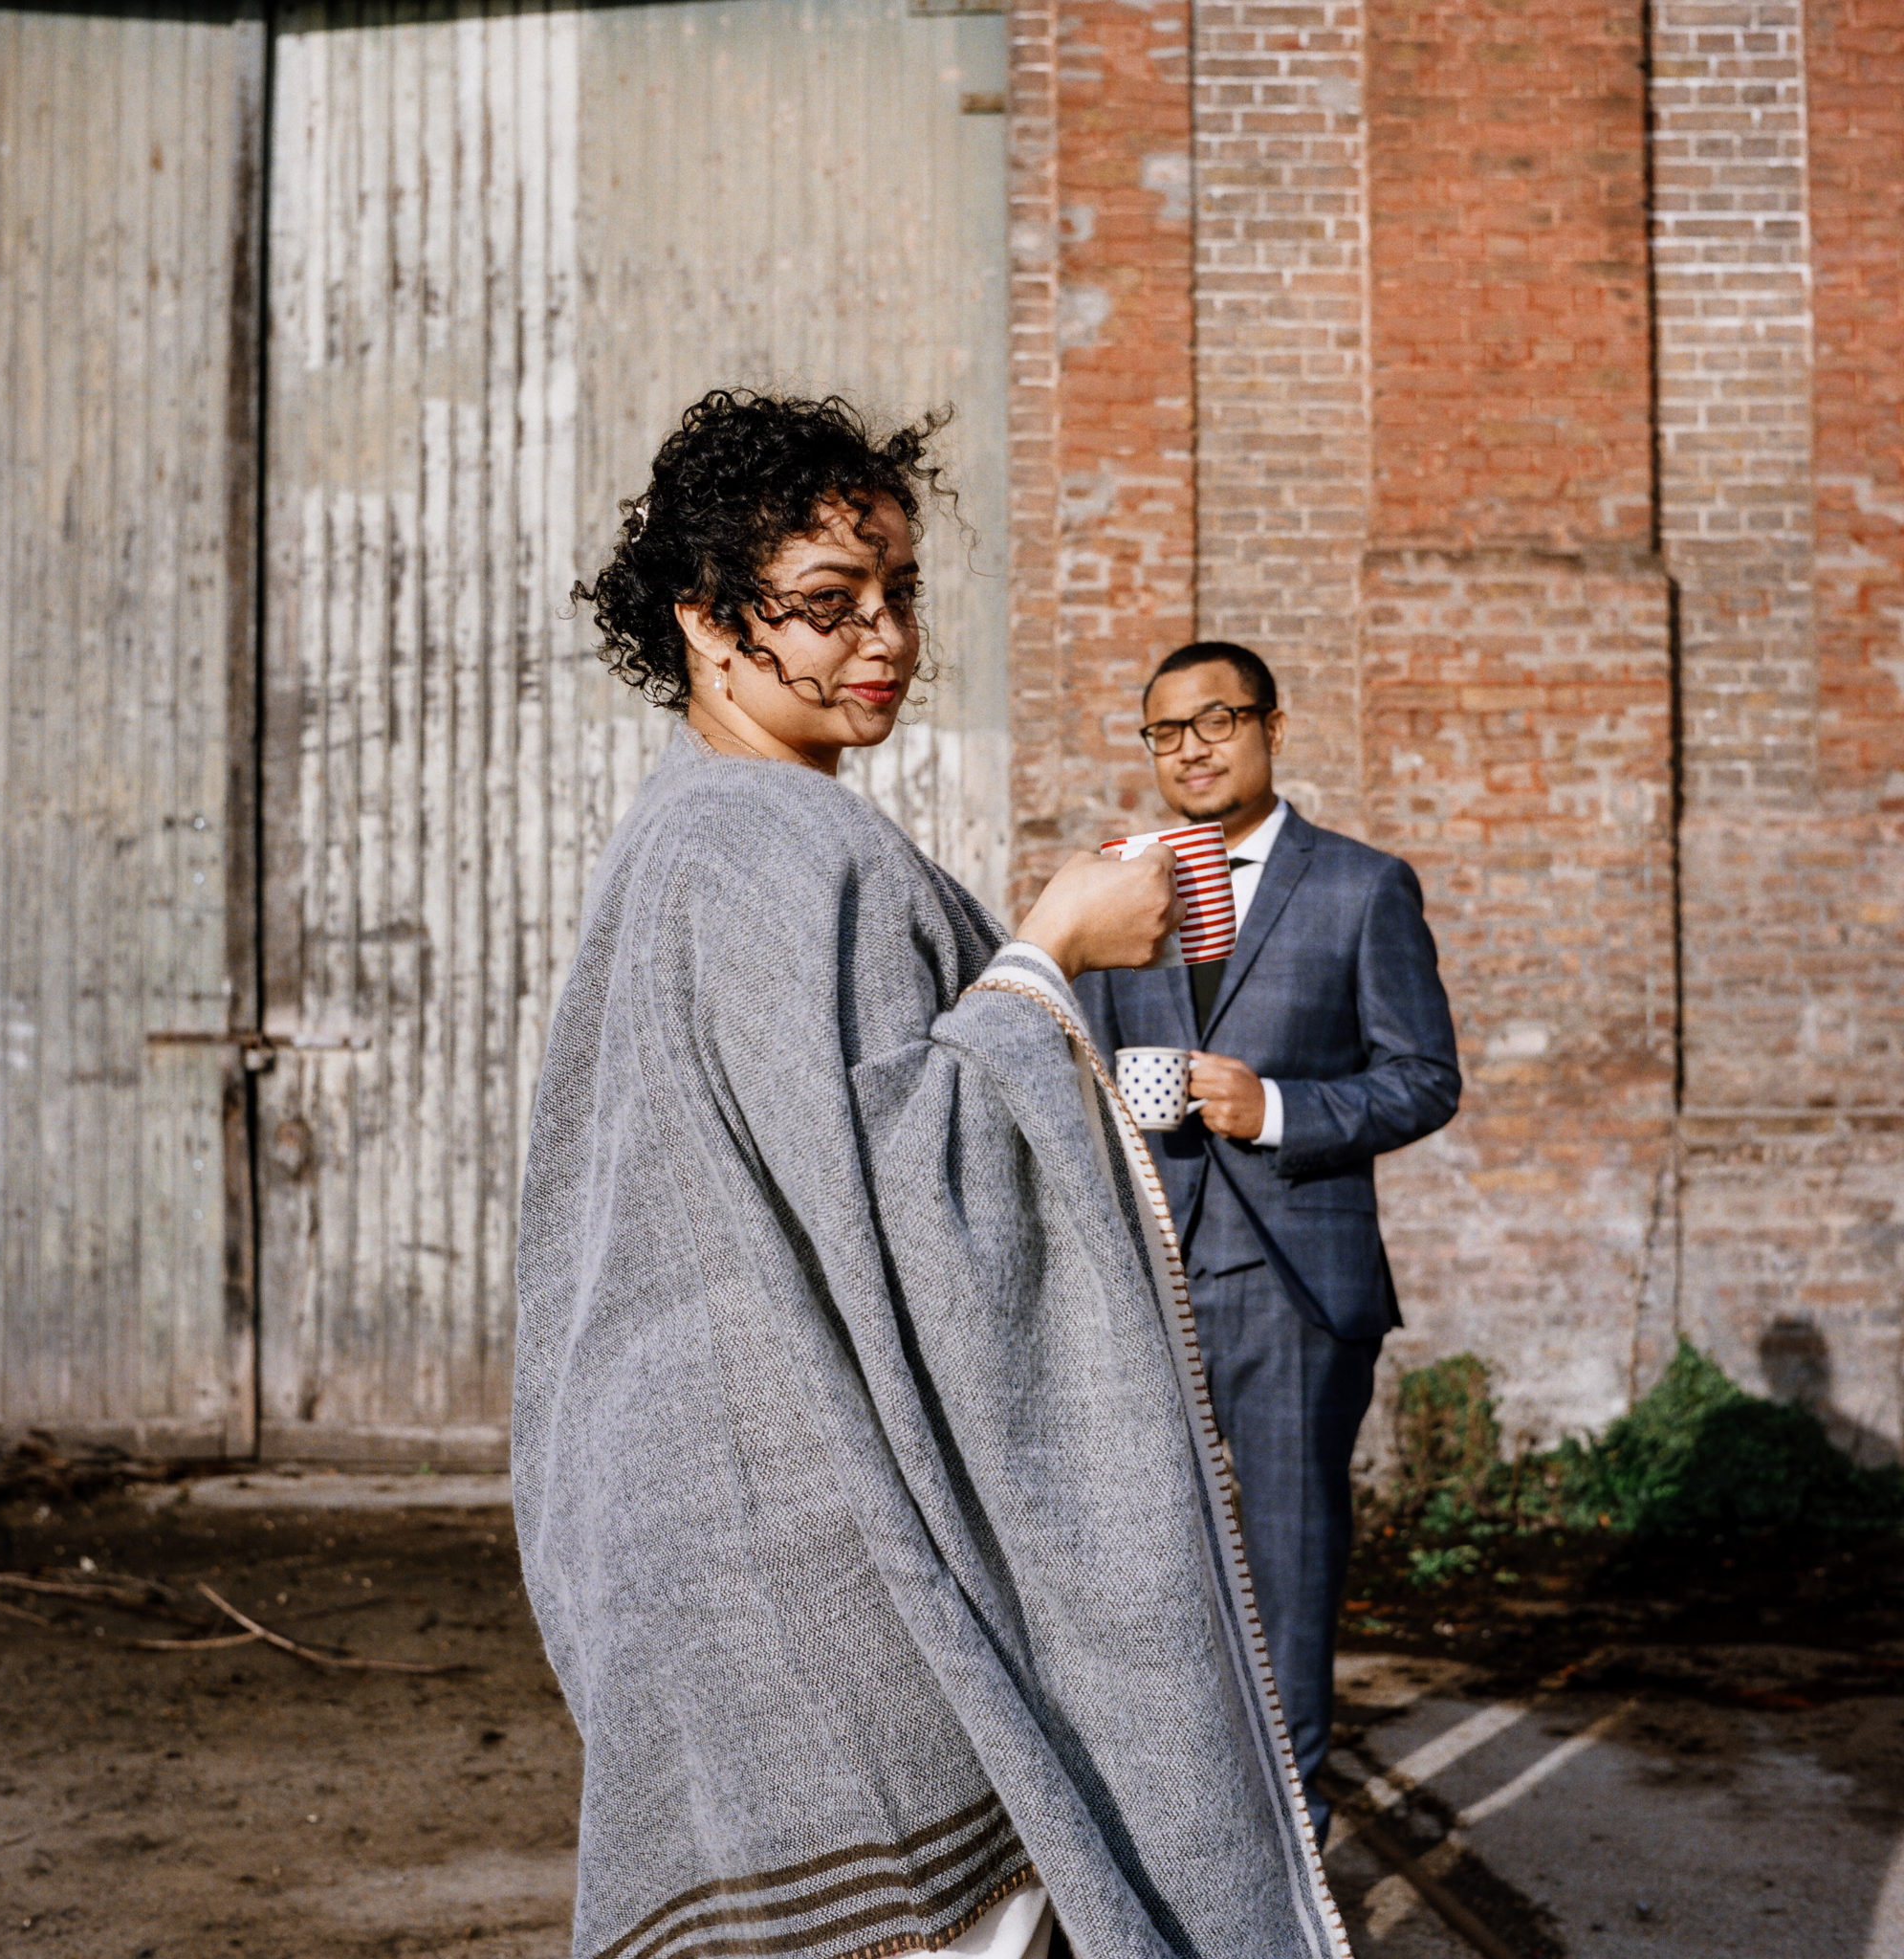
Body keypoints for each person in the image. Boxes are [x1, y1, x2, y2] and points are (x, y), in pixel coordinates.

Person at [513, 398, 1348, 1959]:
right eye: (826, 604)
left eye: (894, 593)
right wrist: (1048, 952)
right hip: (806, 1532)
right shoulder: (774, 847)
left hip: (703, 1501)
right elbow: (916, 1196)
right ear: (703, 620)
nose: (879, 638)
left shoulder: (696, 835)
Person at [1076, 642, 1460, 1841]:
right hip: (1139, 1272)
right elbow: (1068, 1065)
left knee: (1289, 1566)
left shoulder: (1357, 886)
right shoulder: (1111, 886)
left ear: (1270, 727)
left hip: (1292, 1281)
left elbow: (1423, 1078)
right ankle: (1170, 1820)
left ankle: (1284, 1839)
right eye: (1162, 732)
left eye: (1214, 720)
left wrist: (1278, 1105)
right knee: (1137, 1561)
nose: (1187, 747)